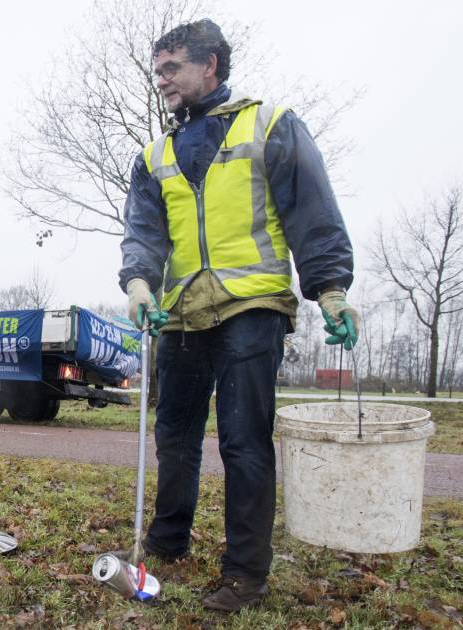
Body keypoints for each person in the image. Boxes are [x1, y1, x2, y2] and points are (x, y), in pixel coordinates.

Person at [118, 20, 358, 612]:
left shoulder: (272, 126)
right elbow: (144, 233)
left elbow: (313, 211)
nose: (162, 81)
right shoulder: (155, 155)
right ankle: (167, 540)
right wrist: (140, 284)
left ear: (211, 66)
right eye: (158, 71)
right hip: (182, 312)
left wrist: (328, 289)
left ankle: (245, 573)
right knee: (174, 435)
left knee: (244, 441)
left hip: (253, 307)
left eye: (172, 68)